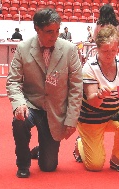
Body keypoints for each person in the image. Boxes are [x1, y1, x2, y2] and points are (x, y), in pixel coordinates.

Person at [6, 8, 83, 178]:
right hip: (31, 105)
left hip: (55, 110)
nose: (54, 36)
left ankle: (41, 149)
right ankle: (23, 162)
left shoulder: (70, 50)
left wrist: (71, 119)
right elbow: (13, 81)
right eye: (49, 32)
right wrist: (19, 104)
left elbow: (77, 87)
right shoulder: (23, 48)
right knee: (19, 120)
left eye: (57, 31)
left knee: (48, 166)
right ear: (37, 29)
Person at [75, 25, 119, 172]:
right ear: (97, 49)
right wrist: (100, 95)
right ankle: (80, 144)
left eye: (113, 50)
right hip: (91, 118)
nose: (109, 54)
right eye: (105, 51)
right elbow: (93, 101)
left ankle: (116, 158)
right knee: (95, 166)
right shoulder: (89, 68)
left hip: (114, 115)